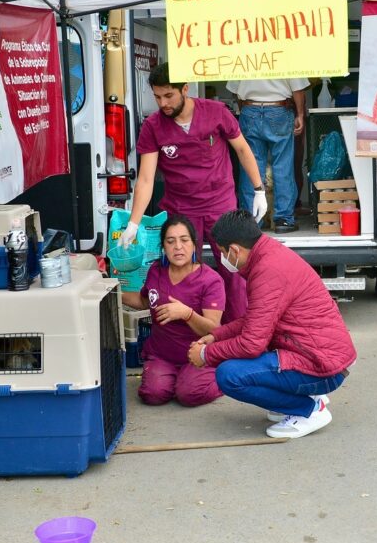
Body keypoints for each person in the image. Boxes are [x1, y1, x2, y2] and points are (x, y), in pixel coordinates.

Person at [187, 210, 356, 439]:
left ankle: (309, 410)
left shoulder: (268, 271)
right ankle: (296, 402)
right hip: (321, 355)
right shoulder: (268, 255)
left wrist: (206, 354)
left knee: (229, 375)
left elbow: (251, 344)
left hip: (323, 365)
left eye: (224, 252)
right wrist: (217, 336)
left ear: (235, 250)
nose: (224, 258)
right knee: (241, 362)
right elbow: (257, 318)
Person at [120, 63, 267, 322]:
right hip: (182, 209)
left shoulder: (216, 112)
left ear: (185, 89)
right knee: (183, 270)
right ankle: (192, 334)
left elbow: (243, 150)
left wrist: (259, 189)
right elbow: (145, 178)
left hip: (220, 205)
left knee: (233, 270)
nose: (162, 103)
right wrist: (134, 222)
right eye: (157, 97)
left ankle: (239, 331)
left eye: (168, 96)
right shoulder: (153, 127)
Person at [121, 216, 225, 407]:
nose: (178, 246)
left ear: (194, 245)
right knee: (152, 395)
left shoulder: (211, 280)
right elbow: (145, 300)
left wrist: (187, 314)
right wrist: (114, 291)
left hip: (198, 355)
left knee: (188, 394)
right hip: (162, 355)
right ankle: (176, 379)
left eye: (184, 240)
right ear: (163, 247)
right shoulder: (156, 269)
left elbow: (213, 330)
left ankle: (222, 379)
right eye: (171, 241)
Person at [225, 78, 310, 233]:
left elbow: (234, 89)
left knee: (250, 167)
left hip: (250, 110)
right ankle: (283, 220)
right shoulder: (286, 53)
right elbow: (298, 88)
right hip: (279, 110)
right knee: (283, 165)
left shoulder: (243, 55)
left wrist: (245, 107)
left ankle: (251, 221)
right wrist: (300, 114)